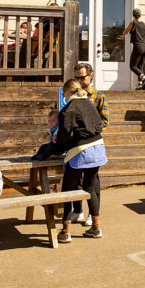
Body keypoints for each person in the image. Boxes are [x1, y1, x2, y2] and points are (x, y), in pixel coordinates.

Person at [52, 79, 107, 241]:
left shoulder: (67, 110)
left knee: (68, 191)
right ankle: (96, 228)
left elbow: (63, 137)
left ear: (68, 92)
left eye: (63, 93)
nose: (63, 96)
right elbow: (98, 126)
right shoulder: (90, 104)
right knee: (90, 189)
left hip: (80, 152)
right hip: (98, 148)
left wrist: (56, 142)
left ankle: (66, 232)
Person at [73, 62, 110, 130]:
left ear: (91, 75)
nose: (79, 81)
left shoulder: (100, 97)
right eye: (76, 78)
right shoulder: (73, 95)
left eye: (82, 77)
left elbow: (105, 121)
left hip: (92, 136)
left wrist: (91, 130)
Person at [123, 8, 145, 89]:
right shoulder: (144, 24)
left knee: (133, 66)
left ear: (133, 15)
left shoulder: (133, 22)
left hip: (138, 46)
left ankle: (144, 77)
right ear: (140, 15)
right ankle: (140, 86)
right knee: (140, 67)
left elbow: (124, 32)